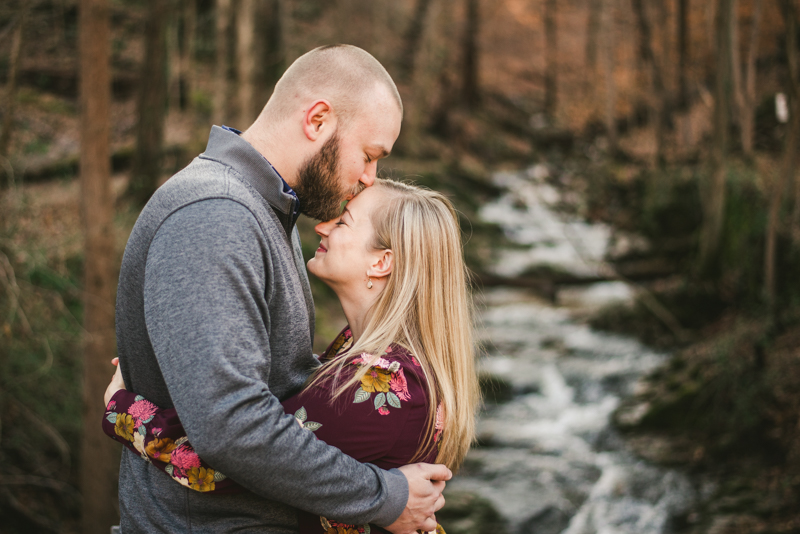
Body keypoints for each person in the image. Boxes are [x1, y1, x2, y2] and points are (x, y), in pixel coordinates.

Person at [113, 44, 452, 533]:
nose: (369, 177)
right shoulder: (214, 214)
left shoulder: (269, 213)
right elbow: (231, 427)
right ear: (317, 120)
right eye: (369, 155)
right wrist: (385, 497)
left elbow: (284, 391)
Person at [103, 180, 481, 533]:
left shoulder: (382, 384)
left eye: (345, 221)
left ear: (381, 262)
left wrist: (123, 408)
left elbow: (230, 463)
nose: (323, 227)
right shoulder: (368, 353)